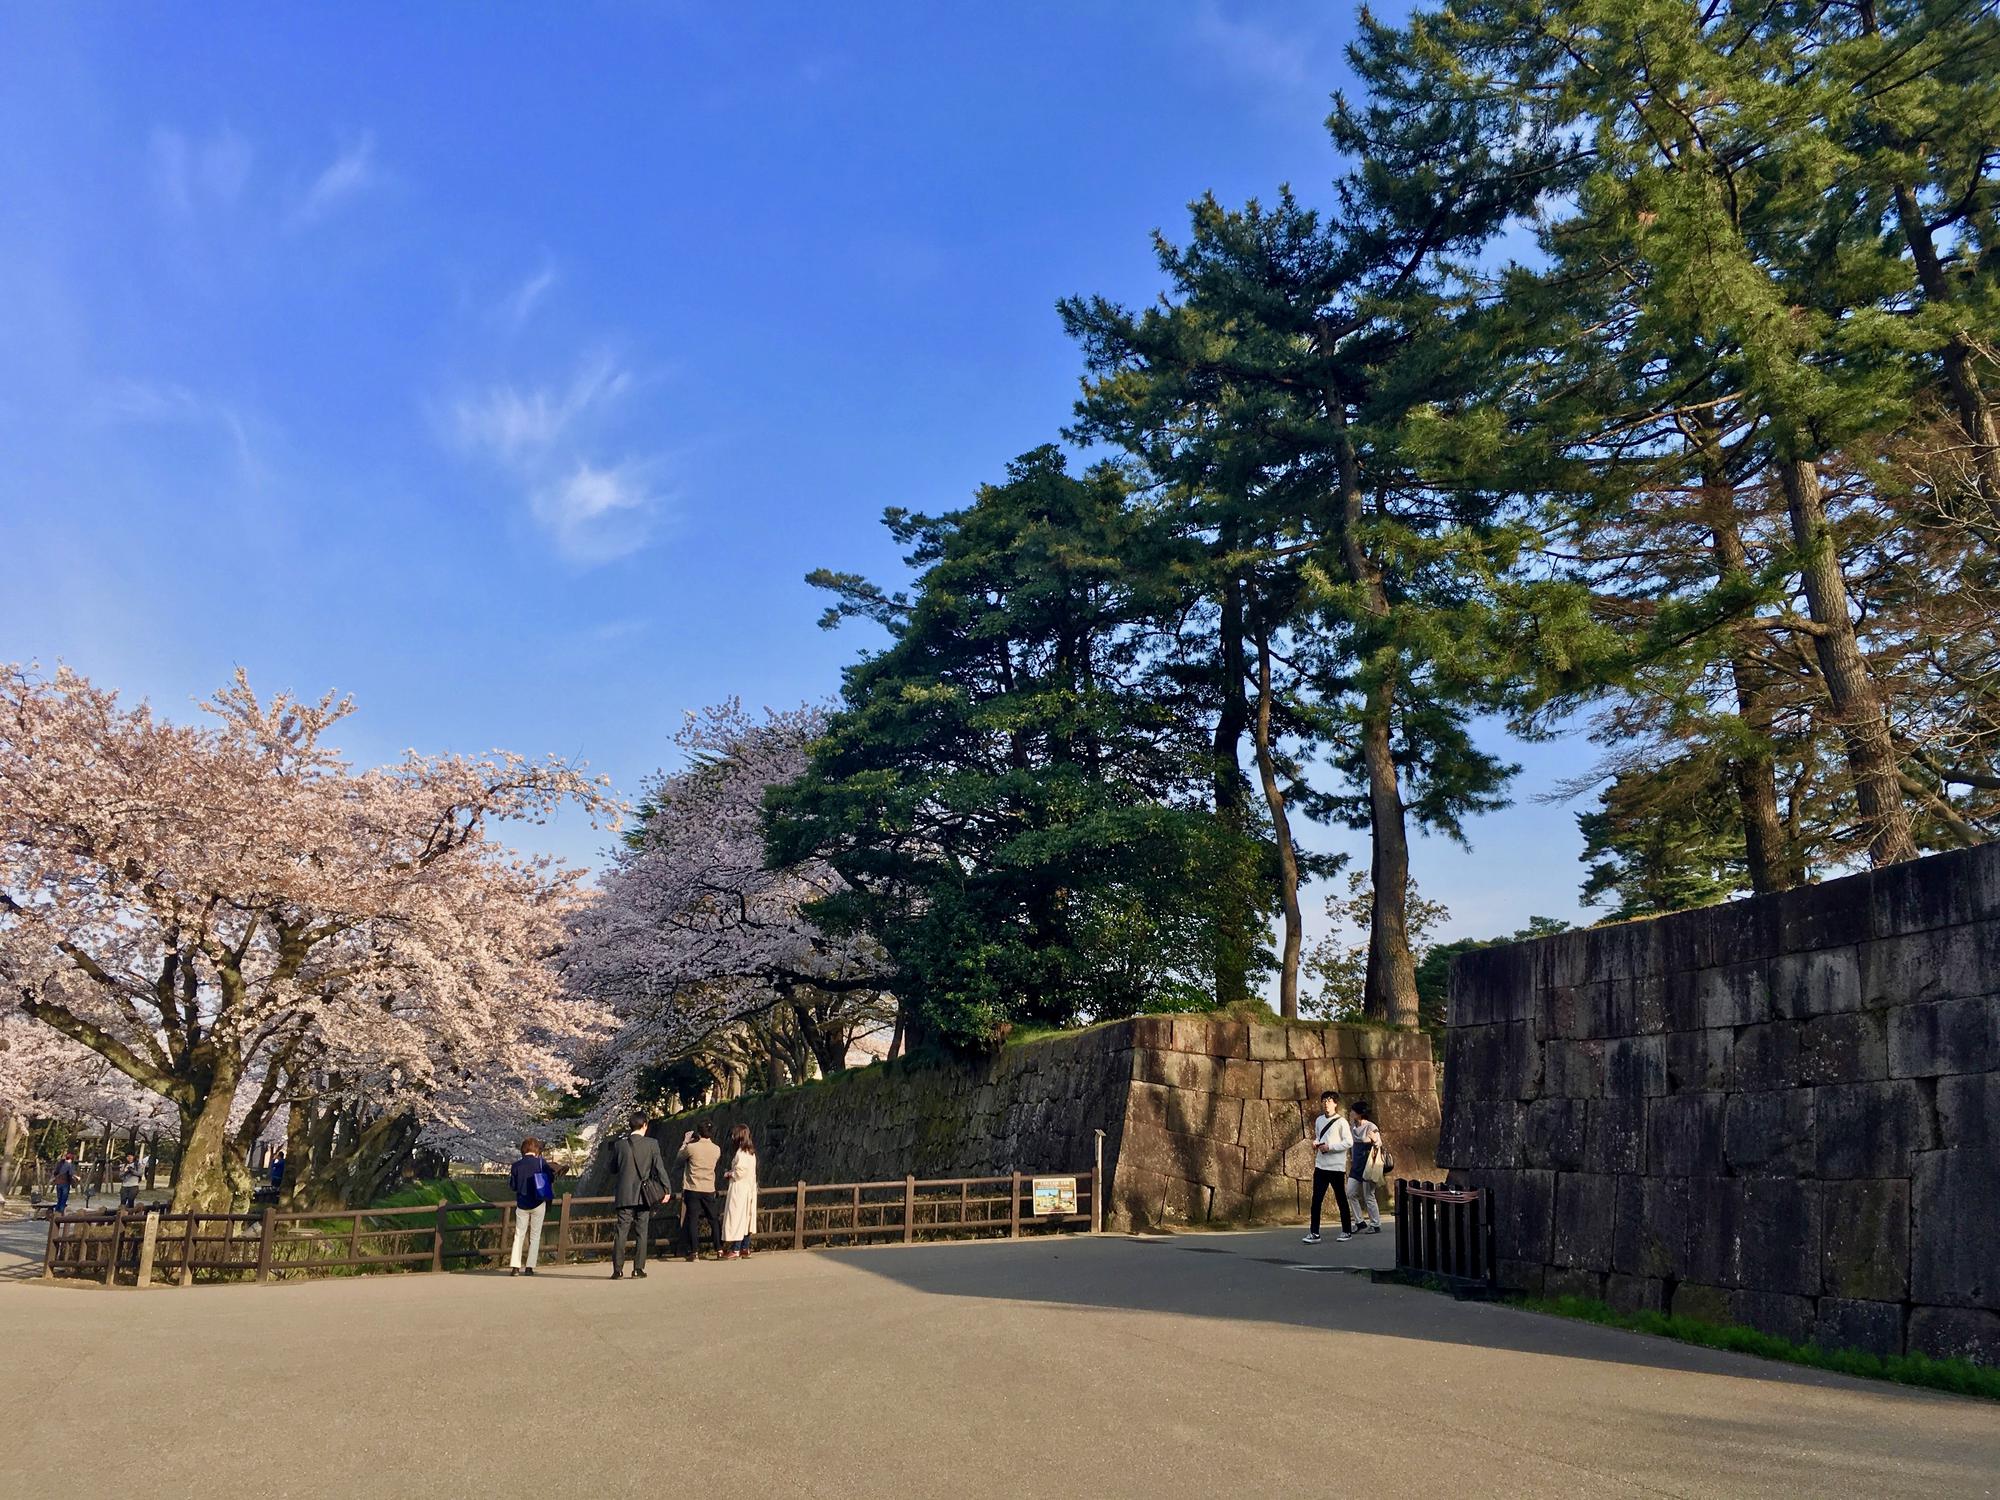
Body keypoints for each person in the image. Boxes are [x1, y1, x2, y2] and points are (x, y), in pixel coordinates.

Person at [607, 1111, 673, 1280]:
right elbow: (659, 1168)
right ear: (645, 1125)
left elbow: (612, 1168)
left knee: (621, 1231)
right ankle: (638, 1269)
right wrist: (667, 1189)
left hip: (624, 1193)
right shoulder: (652, 1144)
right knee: (642, 1231)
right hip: (644, 1195)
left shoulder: (619, 1145)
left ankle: (617, 1270)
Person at [1301, 1090, 1352, 1245]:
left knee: (1341, 1198)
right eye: (1324, 1101)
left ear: (1335, 1104)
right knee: (1316, 1200)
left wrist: (1331, 1147)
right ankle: (1314, 1232)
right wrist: (1317, 1143)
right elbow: (1319, 1136)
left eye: (1329, 1101)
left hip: (1336, 1166)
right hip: (1321, 1165)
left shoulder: (1342, 1122)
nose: (1326, 1104)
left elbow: (1349, 1142)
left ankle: (1347, 1230)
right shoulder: (1319, 1120)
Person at [508, 1136, 556, 1277]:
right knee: (535, 1236)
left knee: (519, 1235)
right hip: (538, 1202)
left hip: (522, 1203)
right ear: (536, 1149)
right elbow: (550, 1178)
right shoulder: (541, 1163)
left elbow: (513, 1186)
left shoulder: (516, 1166)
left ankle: (515, 1267)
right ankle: (529, 1267)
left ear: (523, 1149)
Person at [677, 1122, 723, 1262]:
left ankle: (694, 1252)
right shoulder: (716, 1149)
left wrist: (685, 1142)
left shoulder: (692, 1148)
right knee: (713, 1219)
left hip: (693, 1188)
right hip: (709, 1188)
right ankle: (719, 1249)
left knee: (693, 1220)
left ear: (698, 1132)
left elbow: (679, 1158)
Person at [1345, 1099, 1385, 1237]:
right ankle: (1359, 1221)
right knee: (1350, 1192)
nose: (1350, 1113)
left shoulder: (1371, 1126)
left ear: (1359, 1113)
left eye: (1352, 1111)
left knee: (1369, 1195)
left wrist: (1375, 1140)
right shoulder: (1352, 1126)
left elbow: (1379, 1143)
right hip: (1356, 1165)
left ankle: (1375, 1224)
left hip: (1368, 1165)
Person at [720, 1125, 758, 1260]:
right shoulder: (751, 1153)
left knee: (737, 1218)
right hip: (749, 1188)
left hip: (739, 1189)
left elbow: (740, 1172)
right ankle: (744, 1247)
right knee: (747, 1218)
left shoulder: (741, 1153)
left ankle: (735, 1248)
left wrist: (729, 1174)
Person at [50, 1151, 76, 1217]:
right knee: (63, 1200)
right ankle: (60, 1214)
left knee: (59, 1199)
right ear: (71, 1159)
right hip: (65, 1183)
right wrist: (73, 1182)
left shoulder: (60, 1164)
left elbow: (55, 1172)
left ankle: (56, 1212)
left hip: (58, 1183)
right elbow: (70, 1174)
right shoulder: (70, 1165)